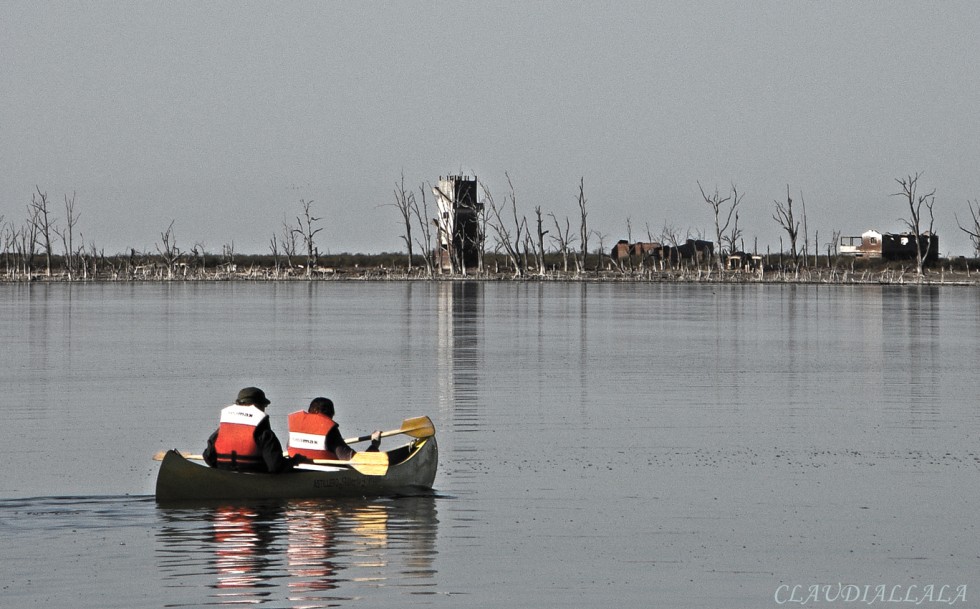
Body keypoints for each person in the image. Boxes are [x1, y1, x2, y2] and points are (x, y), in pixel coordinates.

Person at [203, 386, 304, 472]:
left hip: (225, 474)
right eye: (264, 406)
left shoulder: (221, 430)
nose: (264, 408)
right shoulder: (263, 433)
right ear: (257, 406)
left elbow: (208, 458)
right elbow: (275, 466)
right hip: (256, 478)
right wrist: (293, 461)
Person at [287, 397, 381, 461]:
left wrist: (336, 443)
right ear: (330, 415)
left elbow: (289, 448)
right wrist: (374, 445)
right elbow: (354, 460)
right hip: (320, 475)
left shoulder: (297, 429)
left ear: (309, 412)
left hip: (297, 470)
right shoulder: (330, 430)